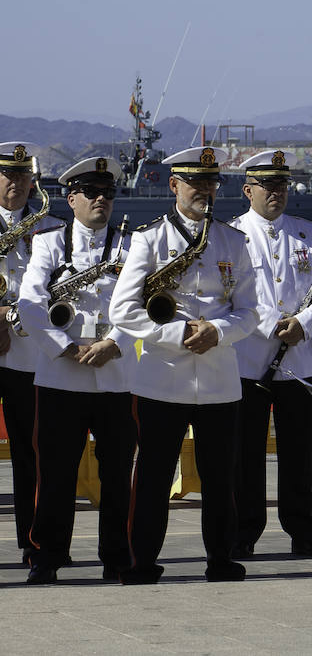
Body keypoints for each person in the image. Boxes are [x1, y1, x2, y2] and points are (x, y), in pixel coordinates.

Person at [108, 146, 261, 583]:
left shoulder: (233, 240)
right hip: (163, 378)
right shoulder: (149, 238)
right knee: (153, 478)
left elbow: (250, 310)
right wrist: (177, 334)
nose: (205, 191)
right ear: (174, 185)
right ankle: (141, 562)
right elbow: (124, 310)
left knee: (221, 480)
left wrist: (218, 331)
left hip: (218, 378)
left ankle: (221, 558)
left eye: (211, 183)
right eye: (195, 183)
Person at [17, 157, 134, 583]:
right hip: (61, 376)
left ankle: (117, 557)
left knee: (118, 475)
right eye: (92, 192)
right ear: (71, 199)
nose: (102, 199)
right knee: (55, 475)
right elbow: (29, 305)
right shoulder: (48, 244)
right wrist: (64, 348)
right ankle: (47, 556)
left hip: (115, 377)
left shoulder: (130, 245)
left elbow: (140, 304)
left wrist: (114, 343)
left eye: (108, 193)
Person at [228, 149, 312, 559]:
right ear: (248, 190)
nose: (276, 193)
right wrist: (272, 322)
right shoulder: (233, 235)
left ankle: (303, 531)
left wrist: (304, 324)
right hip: (250, 363)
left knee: (299, 458)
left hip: (301, 364)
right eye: (268, 186)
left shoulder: (310, 234)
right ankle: (244, 531)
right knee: (246, 457)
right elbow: (232, 293)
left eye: (282, 185)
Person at [0, 141, 57, 569]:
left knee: (30, 453)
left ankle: (33, 543)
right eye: (7, 174)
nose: (15, 183)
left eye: (22, 176)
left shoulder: (51, 229)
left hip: (25, 354)